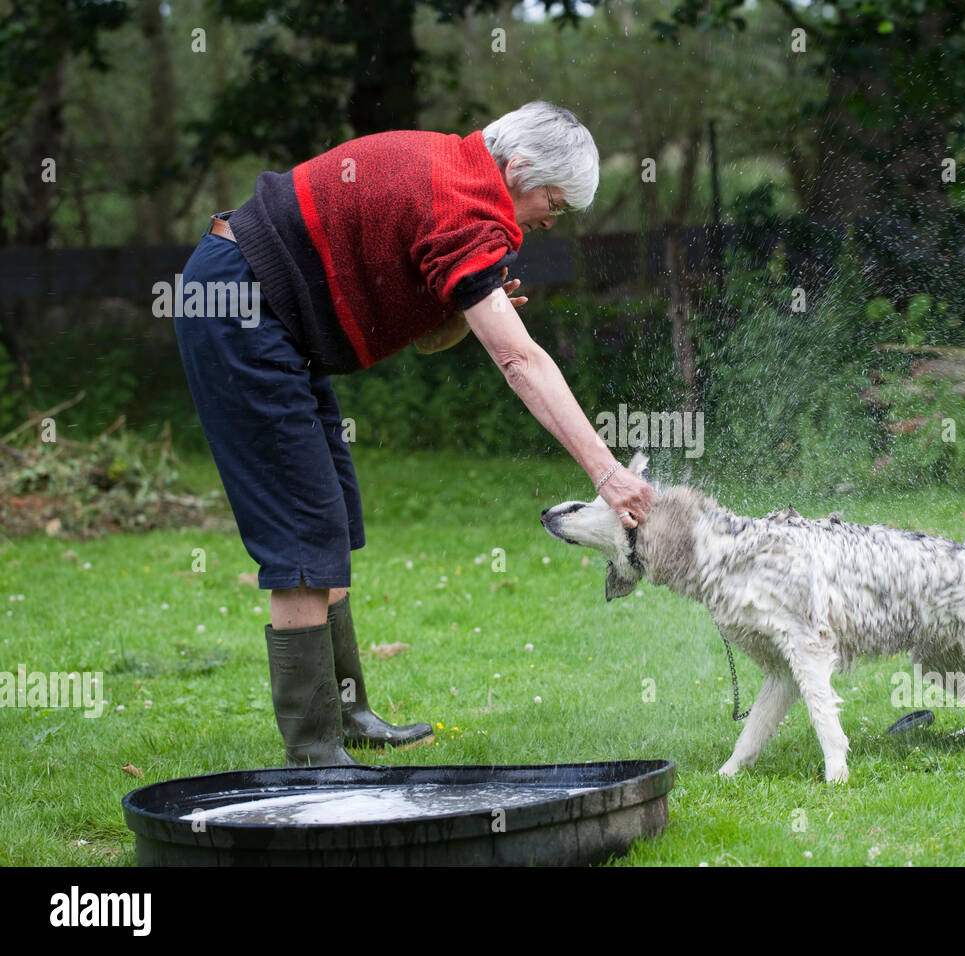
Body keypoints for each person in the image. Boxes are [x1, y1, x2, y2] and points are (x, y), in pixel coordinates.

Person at [174, 101, 657, 767]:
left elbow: (430, 337)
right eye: (554, 200)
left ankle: (347, 715)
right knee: (304, 531)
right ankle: (313, 752)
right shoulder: (463, 203)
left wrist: (464, 309)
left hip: (272, 310)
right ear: (517, 169)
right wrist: (607, 473)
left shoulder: (462, 180)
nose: (553, 217)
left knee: (332, 518)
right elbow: (519, 361)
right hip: (241, 302)